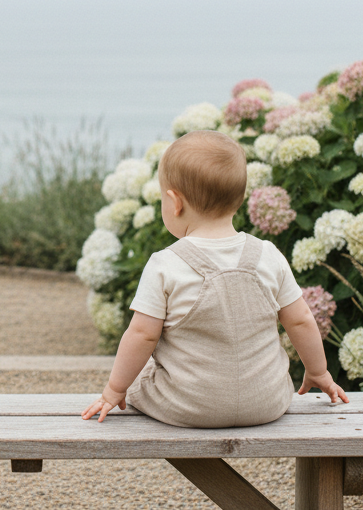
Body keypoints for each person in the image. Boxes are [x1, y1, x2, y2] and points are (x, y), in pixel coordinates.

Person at [82, 130, 349, 427]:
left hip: (188, 406)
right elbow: (300, 320)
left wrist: (114, 390)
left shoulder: (165, 265)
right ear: (241, 197)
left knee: (142, 372)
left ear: (174, 202)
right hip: (267, 403)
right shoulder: (268, 255)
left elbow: (142, 335)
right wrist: (319, 371)